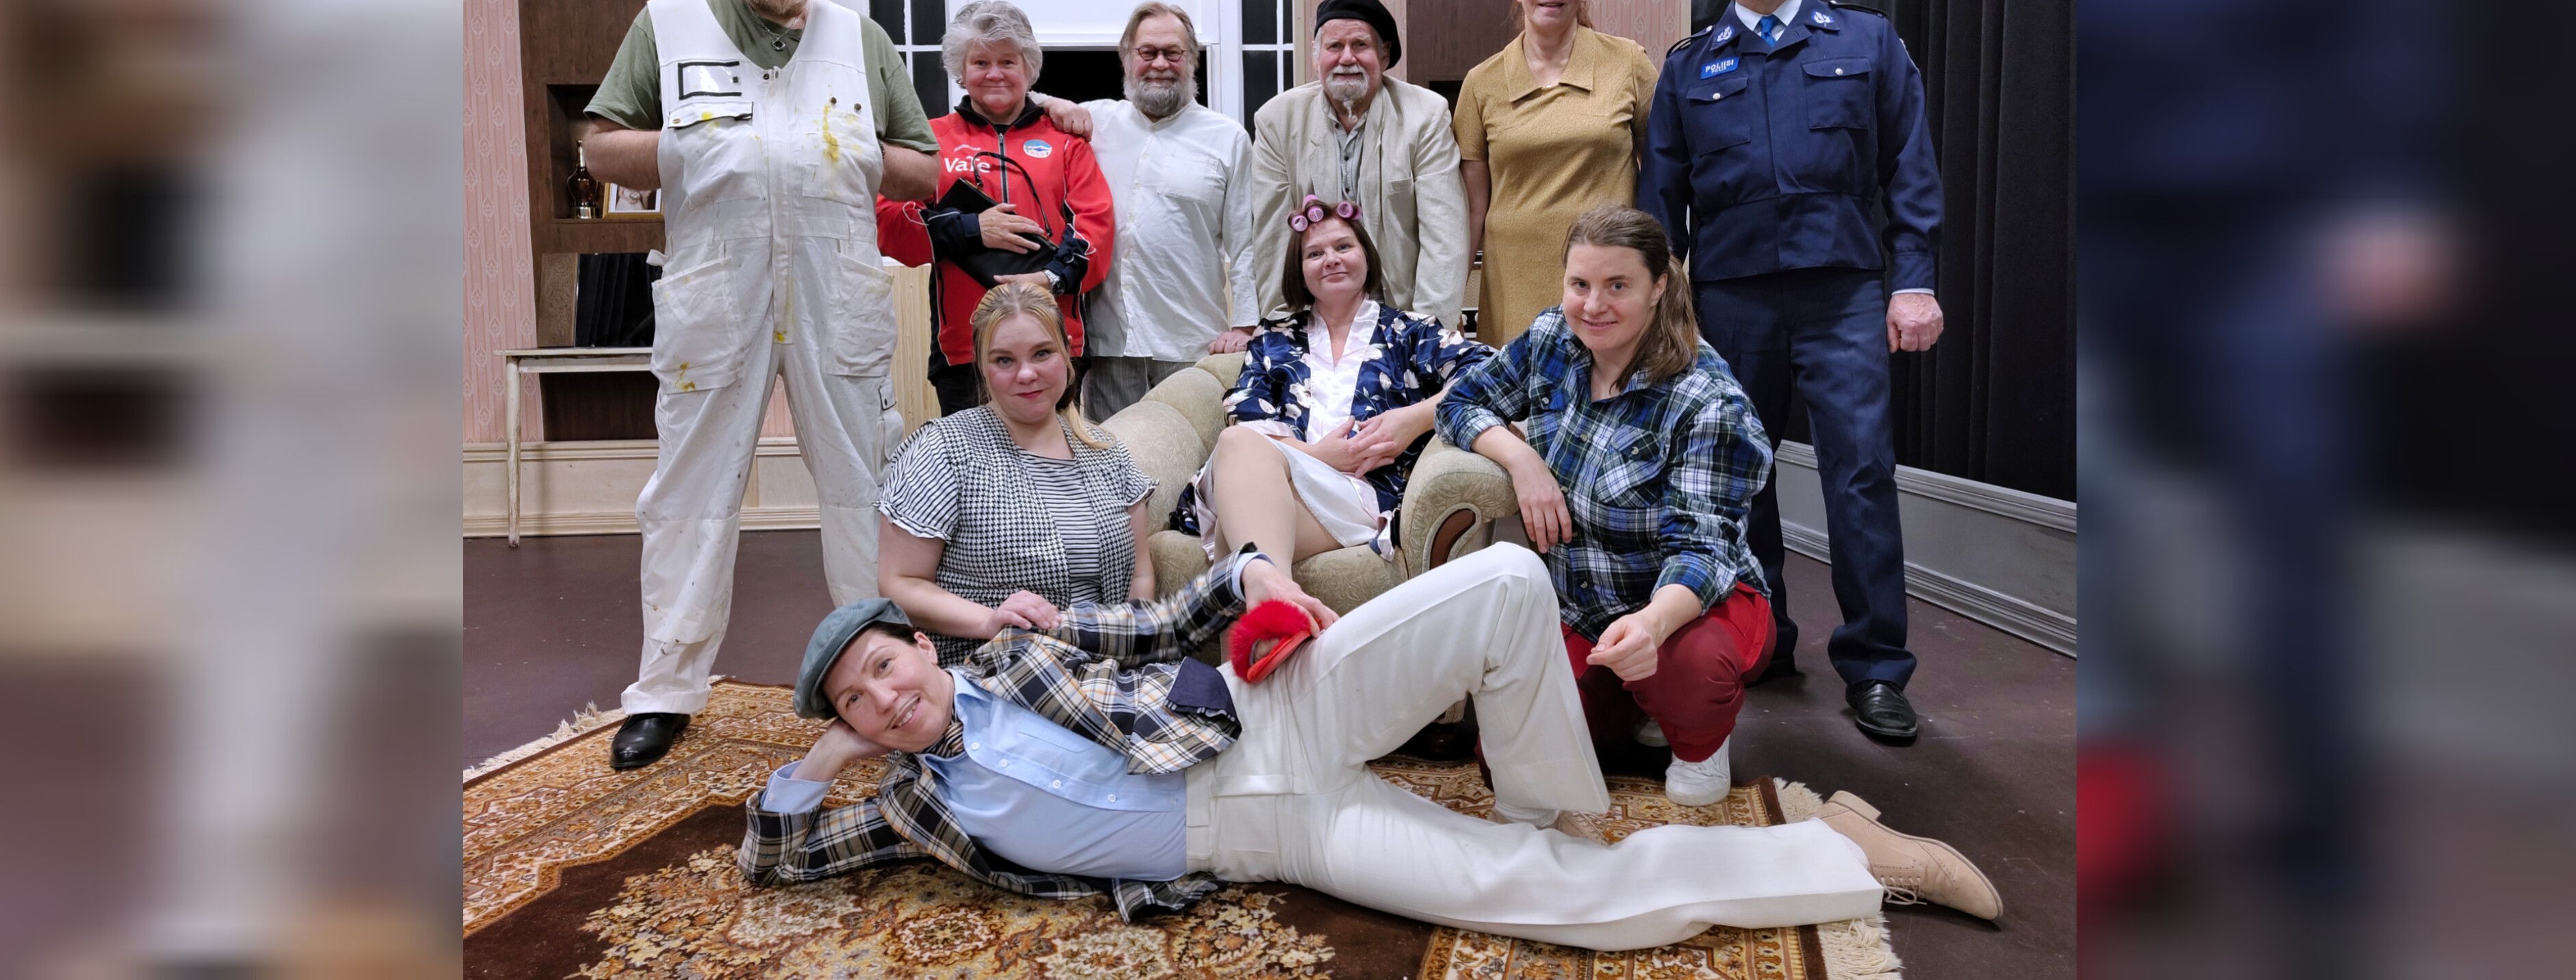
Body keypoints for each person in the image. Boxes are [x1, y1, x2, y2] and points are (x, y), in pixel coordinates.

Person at [745, 540, 2002, 949]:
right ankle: (1846, 853)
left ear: (921, 648)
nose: (884, 699)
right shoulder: (914, 805)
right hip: (1268, 835)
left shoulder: (1020, 650)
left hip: (1273, 715)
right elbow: (772, 855)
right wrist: (824, 763)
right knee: (1571, 912)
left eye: (884, 665)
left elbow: (1167, 617)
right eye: (857, 701)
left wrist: (1252, 571)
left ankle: (1550, 802)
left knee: (1506, 579)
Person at [577, 0, 941, 771]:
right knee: (689, 497)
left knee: (864, 492)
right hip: (716, 296)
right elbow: (600, 148)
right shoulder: (669, 22)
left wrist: (850, 151)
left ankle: (882, 681)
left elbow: (924, 168)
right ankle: (666, 691)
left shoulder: (858, 38)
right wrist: (696, 147)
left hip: (836, 297)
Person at [1637, 0, 1947, 741]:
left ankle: (1876, 666)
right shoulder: (1689, 66)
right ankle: (1762, 634)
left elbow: (1910, 169)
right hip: (1731, 302)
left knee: (1860, 473)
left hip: (1842, 293)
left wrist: (1913, 279)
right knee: (1738, 475)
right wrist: (1660, 312)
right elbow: (1661, 199)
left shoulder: (1866, 43)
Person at [1438, 205, 1789, 808]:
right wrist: (1523, 460)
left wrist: (1651, 627)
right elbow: (1460, 402)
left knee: (1690, 667)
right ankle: (1631, 700)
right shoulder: (1554, 338)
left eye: (1617, 285)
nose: (1593, 305)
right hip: (1582, 607)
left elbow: (1702, 551)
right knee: (1509, 766)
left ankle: (1698, 739)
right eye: (1580, 283)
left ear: (1658, 287)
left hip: (1685, 607)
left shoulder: (1709, 399)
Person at [1199, 196, 1495, 579]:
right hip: (1275, 479)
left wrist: (1414, 419)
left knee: (1236, 532)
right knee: (1237, 445)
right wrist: (1318, 455)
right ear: (1299, 270)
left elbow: (1489, 370)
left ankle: (1267, 599)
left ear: (1366, 256)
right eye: (1315, 253)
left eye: (1343, 247)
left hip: (1361, 495)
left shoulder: (1410, 332)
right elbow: (1247, 416)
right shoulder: (1273, 338)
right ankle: (1274, 606)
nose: (1331, 259)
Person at [875, 282, 1158, 667]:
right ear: (982, 366)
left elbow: (1140, 574)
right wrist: (988, 621)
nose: (1026, 374)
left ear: (1067, 352)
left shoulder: (1107, 453)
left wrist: (1135, 649)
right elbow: (899, 583)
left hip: (1108, 668)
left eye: (1042, 353)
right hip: (994, 668)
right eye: (1004, 360)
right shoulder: (943, 449)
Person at [877, 0, 1117, 418]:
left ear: (1029, 68)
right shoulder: (931, 141)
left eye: (1008, 61)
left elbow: (1096, 228)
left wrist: (1048, 279)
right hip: (965, 350)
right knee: (974, 460)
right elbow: (890, 226)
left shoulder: (1066, 141)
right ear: (960, 69)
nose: (994, 73)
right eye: (980, 62)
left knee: (1051, 456)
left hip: (1054, 343)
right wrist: (973, 228)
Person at [1022, 1, 1258, 419]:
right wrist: (1053, 103)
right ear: (1127, 59)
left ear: (1192, 60)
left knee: (1193, 455)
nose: (1160, 64)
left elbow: (1246, 244)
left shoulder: (1228, 138)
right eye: (1147, 52)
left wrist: (1245, 325)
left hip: (1193, 346)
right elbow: (1015, 101)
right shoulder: (1094, 122)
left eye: (1173, 53)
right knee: (1114, 453)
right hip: (1110, 344)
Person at [1455, 0, 1660, 346]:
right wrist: (1451, 299)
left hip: (1609, 277)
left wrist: (1663, 275)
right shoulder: (1481, 82)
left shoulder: (1628, 63)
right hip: (1513, 280)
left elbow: (1661, 181)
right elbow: (1473, 209)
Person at [1245, 0, 1468, 330]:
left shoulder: (1426, 115)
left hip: (1403, 314)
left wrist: (1427, 334)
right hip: (1315, 320)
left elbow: (1445, 238)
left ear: (1384, 55)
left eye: (1360, 45)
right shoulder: (1276, 121)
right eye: (1334, 46)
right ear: (1317, 56)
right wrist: (1285, 330)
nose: (1347, 58)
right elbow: (1272, 241)